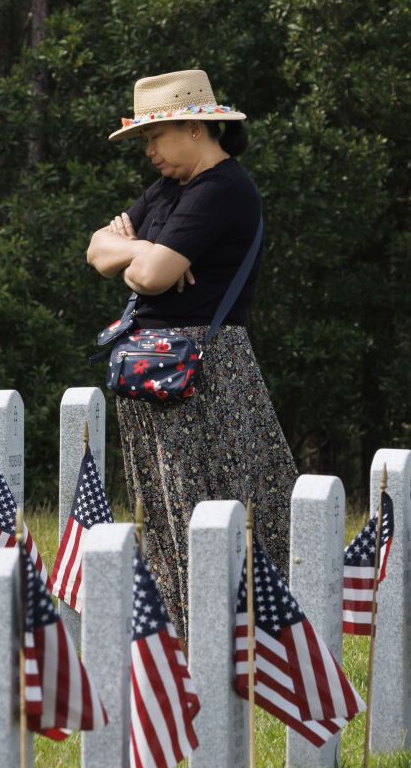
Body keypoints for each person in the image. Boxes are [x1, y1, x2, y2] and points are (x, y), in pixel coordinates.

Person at [86, 69, 297, 630]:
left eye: (156, 136)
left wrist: (138, 254)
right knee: (163, 511)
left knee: (209, 505)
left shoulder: (223, 188)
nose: (149, 151)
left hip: (205, 371)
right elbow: (96, 248)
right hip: (153, 369)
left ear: (198, 129)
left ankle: (232, 634)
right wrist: (144, 250)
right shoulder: (168, 189)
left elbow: (150, 277)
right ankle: (183, 633)